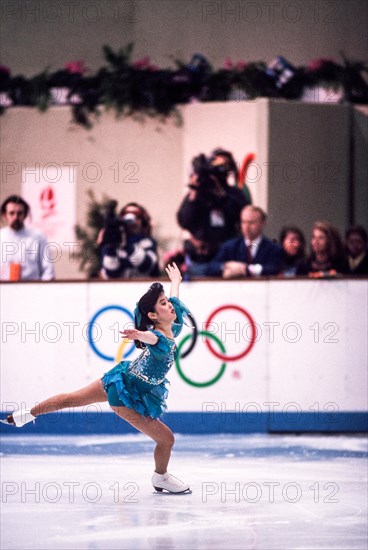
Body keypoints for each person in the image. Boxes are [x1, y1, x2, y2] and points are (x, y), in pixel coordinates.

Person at [1, 263, 191, 494]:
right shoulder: (158, 337)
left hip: (120, 379)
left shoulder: (174, 328)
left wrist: (176, 283)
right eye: (163, 304)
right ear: (152, 315)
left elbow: (174, 303)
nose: (169, 305)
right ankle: (160, 477)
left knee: (71, 399)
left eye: (166, 301)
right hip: (125, 396)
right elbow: (150, 337)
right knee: (167, 440)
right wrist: (139, 334)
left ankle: (24, 415)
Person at [177, 152, 249, 277]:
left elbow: (244, 215)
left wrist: (223, 197)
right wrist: (194, 193)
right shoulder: (198, 193)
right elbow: (184, 221)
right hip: (200, 257)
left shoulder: (234, 194)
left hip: (227, 257)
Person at [206, 205, 283, 277]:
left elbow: (274, 268)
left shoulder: (273, 248)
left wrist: (246, 269)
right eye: (244, 222)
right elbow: (211, 268)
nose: (247, 226)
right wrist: (227, 265)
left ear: (263, 223)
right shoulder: (230, 246)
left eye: (251, 222)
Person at [0, 195, 55, 281]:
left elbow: (48, 271)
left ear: (25, 215)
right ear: (5, 215)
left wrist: (43, 291)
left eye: (19, 213)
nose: (15, 217)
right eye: (11, 213)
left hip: (31, 290)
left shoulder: (38, 237)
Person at [99, 202, 160, 279]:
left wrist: (127, 245)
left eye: (137, 216)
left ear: (143, 221)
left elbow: (146, 265)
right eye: (126, 215)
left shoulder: (148, 242)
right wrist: (111, 248)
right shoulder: (114, 244)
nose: (132, 221)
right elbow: (111, 273)